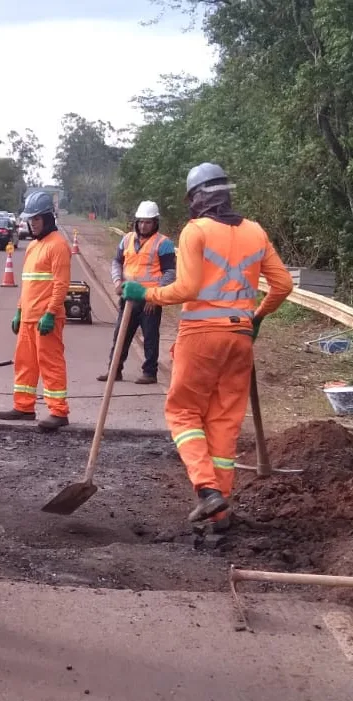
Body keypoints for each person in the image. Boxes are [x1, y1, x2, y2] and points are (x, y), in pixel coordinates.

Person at [121, 163, 293, 528]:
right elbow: (282, 287)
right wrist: (256, 318)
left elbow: (186, 289)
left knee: (183, 412)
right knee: (224, 422)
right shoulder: (255, 231)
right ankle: (221, 512)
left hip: (201, 335)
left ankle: (205, 489)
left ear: (196, 199)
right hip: (240, 339)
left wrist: (145, 292)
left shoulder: (195, 231)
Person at [0, 190, 71, 431]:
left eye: (36, 219)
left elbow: (61, 284)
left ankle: (58, 411)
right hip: (29, 317)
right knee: (24, 363)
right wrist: (19, 311)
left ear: (48, 219)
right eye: (30, 220)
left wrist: (51, 313)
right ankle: (23, 406)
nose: (32, 224)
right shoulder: (33, 247)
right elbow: (28, 282)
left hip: (45, 319)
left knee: (50, 364)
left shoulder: (58, 245)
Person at [97, 200, 176, 384]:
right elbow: (117, 262)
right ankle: (114, 370)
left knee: (150, 336)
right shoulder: (127, 239)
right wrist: (118, 282)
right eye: (140, 221)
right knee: (120, 335)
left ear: (155, 222)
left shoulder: (163, 243)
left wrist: (154, 296)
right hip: (128, 298)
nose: (143, 225)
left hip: (149, 299)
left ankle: (149, 372)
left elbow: (170, 273)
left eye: (147, 222)